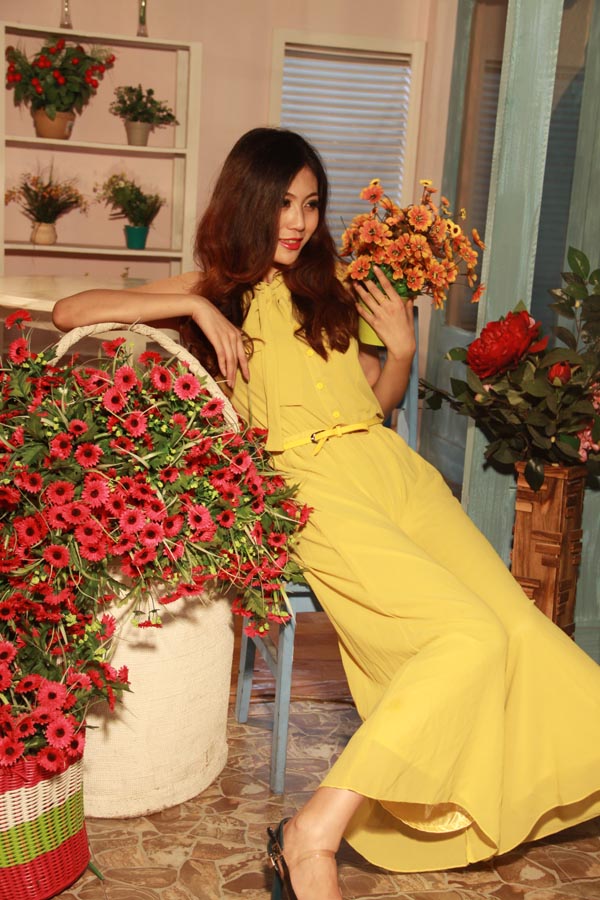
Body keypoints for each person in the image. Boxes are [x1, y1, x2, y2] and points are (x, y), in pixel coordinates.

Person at [53, 128, 600, 900]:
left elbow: (372, 403)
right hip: (310, 485)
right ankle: (312, 834)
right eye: (283, 202)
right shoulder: (217, 289)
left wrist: (401, 353)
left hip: (395, 474)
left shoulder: (333, 287)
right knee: (467, 637)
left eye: (310, 204)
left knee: (518, 628)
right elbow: (69, 307)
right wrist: (194, 305)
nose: (298, 221)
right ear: (248, 201)